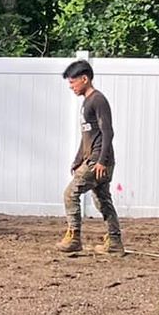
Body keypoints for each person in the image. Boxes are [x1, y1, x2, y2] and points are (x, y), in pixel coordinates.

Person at [59, 59, 121, 255]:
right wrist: (78, 160)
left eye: (73, 82)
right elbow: (87, 136)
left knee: (70, 194)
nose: (71, 86)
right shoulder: (87, 102)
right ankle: (114, 241)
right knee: (102, 200)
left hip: (99, 160)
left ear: (84, 79)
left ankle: (74, 237)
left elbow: (108, 132)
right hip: (92, 159)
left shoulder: (98, 100)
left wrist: (101, 161)